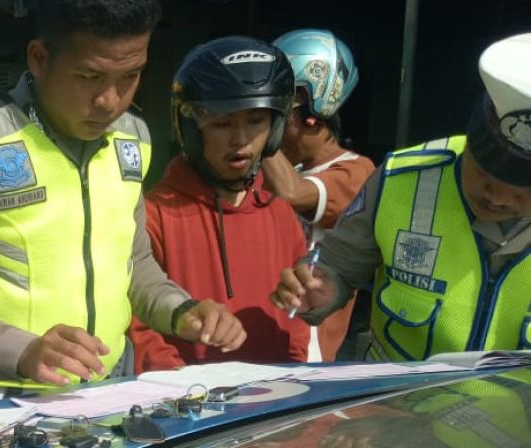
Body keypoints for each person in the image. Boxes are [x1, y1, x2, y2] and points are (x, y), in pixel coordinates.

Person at [0, 0, 244, 398]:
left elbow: (135, 263)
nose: (110, 101)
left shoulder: (133, 138)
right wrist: (22, 350)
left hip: (108, 393)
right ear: (39, 57)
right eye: (89, 77)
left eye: (131, 76)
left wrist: (181, 310)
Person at [273, 33, 531, 361]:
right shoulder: (403, 177)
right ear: (469, 142)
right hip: (396, 405)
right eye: (483, 172)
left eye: (524, 187)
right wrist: (320, 286)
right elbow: (337, 264)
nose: (498, 196)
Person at [129, 36, 310, 372]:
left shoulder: (281, 216)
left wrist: (291, 375)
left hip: (273, 401)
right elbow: (136, 322)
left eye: (256, 121)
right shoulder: (154, 214)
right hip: (188, 411)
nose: (240, 139)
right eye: (223, 123)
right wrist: (179, 389)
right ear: (191, 129)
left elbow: (295, 319)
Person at [261, 29, 374, 360]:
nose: (271, 121)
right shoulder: (284, 167)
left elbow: (292, 194)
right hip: (261, 334)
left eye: (278, 109)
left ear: (313, 109)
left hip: (305, 349)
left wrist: (257, 136)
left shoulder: (355, 171)